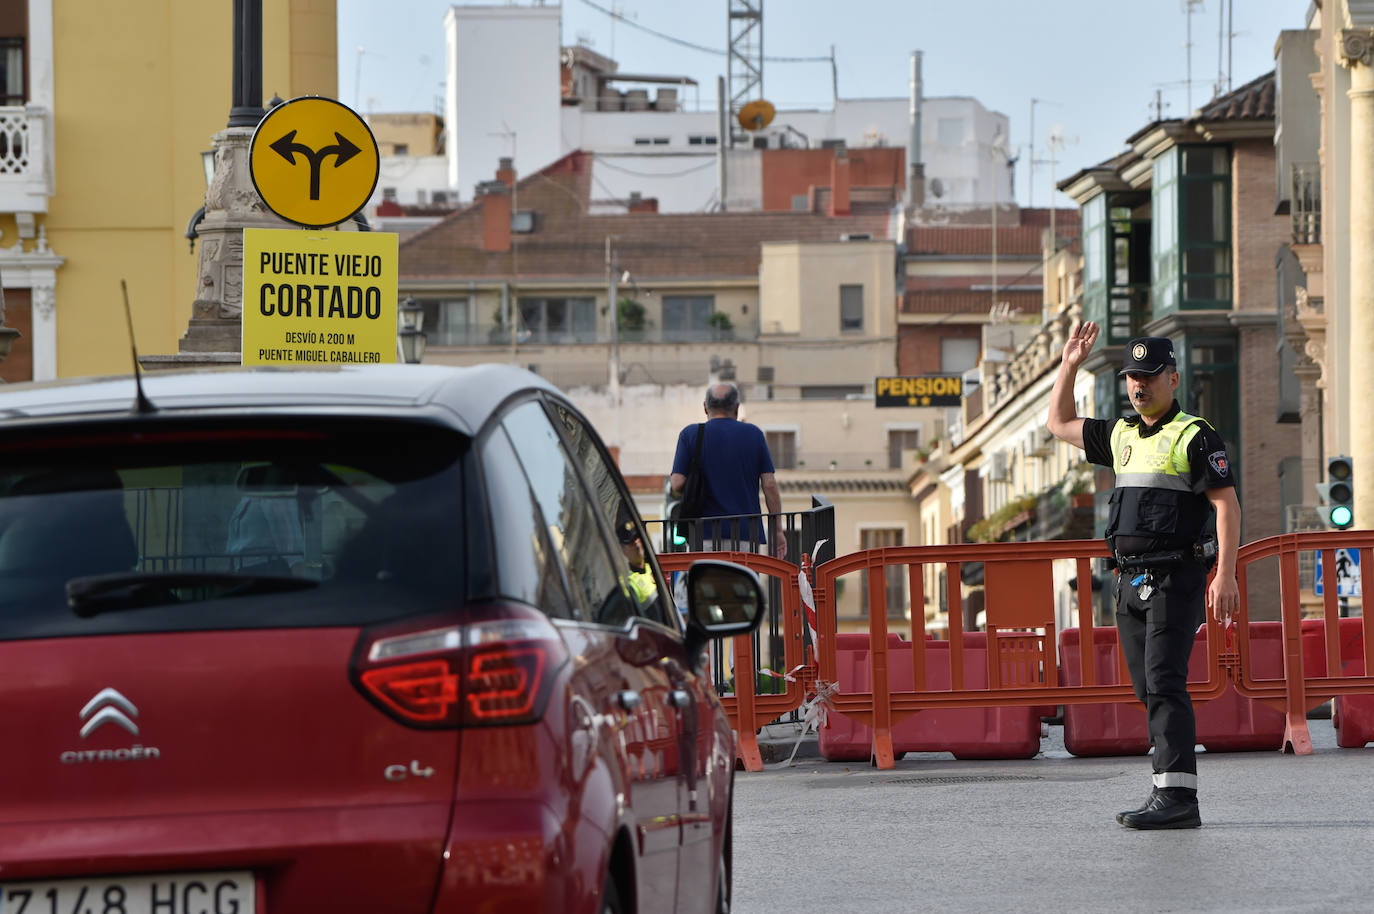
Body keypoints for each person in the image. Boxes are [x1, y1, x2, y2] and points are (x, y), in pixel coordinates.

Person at [1047, 324, 1241, 830]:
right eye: (1133, 377)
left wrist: (1225, 573)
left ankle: (1177, 798)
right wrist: (1069, 365)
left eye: (1150, 376)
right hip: (1130, 582)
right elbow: (1059, 422)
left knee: (1164, 682)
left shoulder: (1195, 435)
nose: (1139, 385)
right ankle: (1167, 787)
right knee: (1147, 687)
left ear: (1173, 379)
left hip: (1175, 577)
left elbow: (1227, 506)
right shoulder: (1121, 434)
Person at [670, 382, 786, 559]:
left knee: (706, 577)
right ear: (737, 408)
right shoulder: (753, 434)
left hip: (702, 536)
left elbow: (677, 483)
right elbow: (769, 484)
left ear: (705, 407)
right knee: (744, 578)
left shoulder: (690, 434)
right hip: (746, 535)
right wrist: (777, 530)